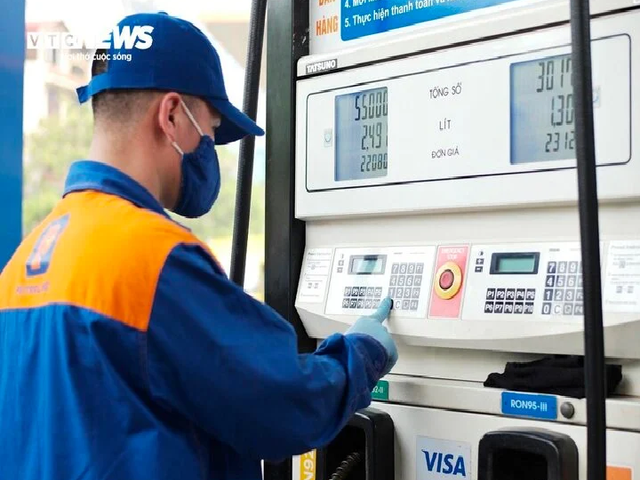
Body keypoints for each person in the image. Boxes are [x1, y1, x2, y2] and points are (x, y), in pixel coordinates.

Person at [0, 12, 399, 480]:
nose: (210, 147)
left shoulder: (23, 264)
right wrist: (360, 356)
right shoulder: (152, 258)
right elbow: (281, 403)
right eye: (210, 129)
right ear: (171, 115)